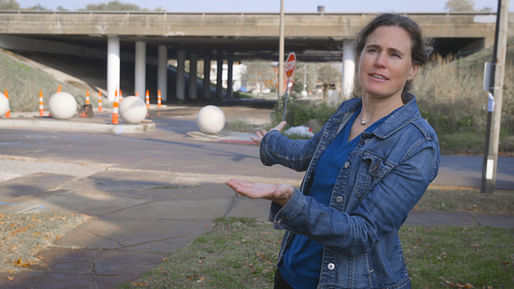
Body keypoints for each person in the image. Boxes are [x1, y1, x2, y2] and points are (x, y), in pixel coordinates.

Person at [226, 13, 440, 289]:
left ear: (413, 69)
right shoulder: (346, 113)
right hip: (292, 273)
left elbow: (361, 233)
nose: (380, 62)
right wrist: (272, 142)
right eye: (372, 49)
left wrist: (290, 201)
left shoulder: (418, 143)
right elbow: (307, 154)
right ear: (360, 56)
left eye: (395, 54)